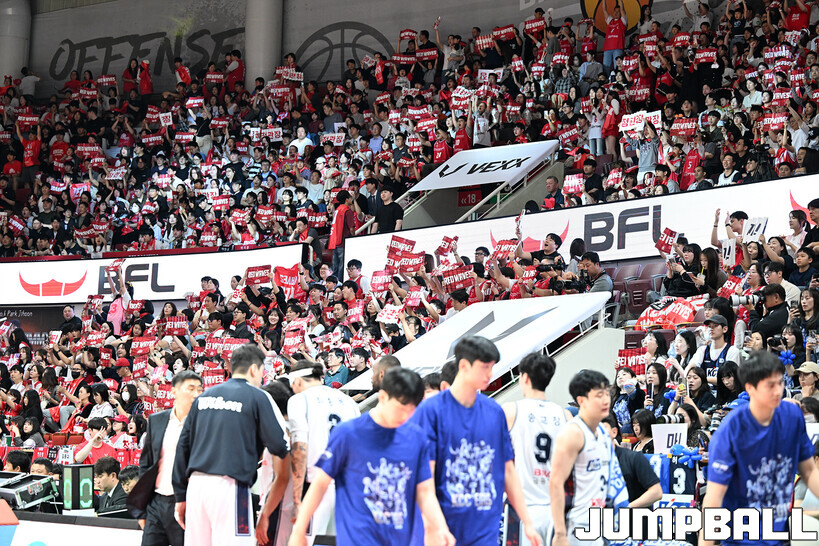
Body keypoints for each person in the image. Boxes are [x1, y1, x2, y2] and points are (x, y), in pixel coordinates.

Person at [288, 367, 455, 546]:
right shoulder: (349, 434)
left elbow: (425, 491)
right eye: (400, 409)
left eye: (411, 411)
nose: (405, 417)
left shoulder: (417, 437)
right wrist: (298, 530)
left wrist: (440, 527)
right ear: (382, 397)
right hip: (359, 537)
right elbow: (320, 484)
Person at [412, 336, 542, 545]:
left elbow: (508, 470)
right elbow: (425, 480)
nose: (490, 374)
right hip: (444, 526)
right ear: (464, 365)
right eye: (485, 367)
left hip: (486, 528)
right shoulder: (430, 411)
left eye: (492, 367)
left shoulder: (494, 411)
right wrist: (436, 526)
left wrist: (527, 522)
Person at [173, 345, 288, 546]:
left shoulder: (204, 397)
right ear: (254, 369)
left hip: (196, 487)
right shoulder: (257, 396)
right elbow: (279, 445)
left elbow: (182, 447)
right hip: (231, 487)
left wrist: (180, 496)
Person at [701, 351, 819, 546]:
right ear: (750, 388)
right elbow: (714, 498)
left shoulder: (792, 416)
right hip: (740, 538)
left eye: (780, 383)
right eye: (770, 385)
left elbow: (809, 471)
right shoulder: (730, 431)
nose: (778, 391)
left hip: (777, 535)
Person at [286, 360, 360, 544]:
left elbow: (300, 448)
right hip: (348, 485)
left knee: (306, 541)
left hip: (317, 485)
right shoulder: (348, 401)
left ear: (297, 381)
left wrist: (296, 497)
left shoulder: (299, 400)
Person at [502, 353, 571, 546]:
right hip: (555, 509)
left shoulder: (510, 411)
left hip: (522, 508)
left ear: (524, 378)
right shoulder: (565, 415)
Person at [131, 370, 203, 546]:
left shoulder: (204, 423)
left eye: (200, 389)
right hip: (156, 501)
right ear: (174, 391)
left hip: (186, 502)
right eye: (191, 388)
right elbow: (146, 463)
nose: (196, 394)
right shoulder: (157, 420)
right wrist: (144, 505)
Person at [550, 370, 613, 546]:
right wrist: (560, 533)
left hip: (598, 523)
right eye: (599, 395)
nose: (606, 400)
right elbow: (555, 483)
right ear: (581, 400)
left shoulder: (603, 433)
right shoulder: (573, 433)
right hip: (575, 525)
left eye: (607, 393)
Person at [687, 314, 741, 385]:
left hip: (723, 391)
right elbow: (690, 369)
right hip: (705, 390)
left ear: (725, 329)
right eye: (709, 326)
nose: (711, 329)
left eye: (715, 326)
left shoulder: (733, 351)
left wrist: (702, 379)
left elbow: (728, 380)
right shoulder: (702, 350)